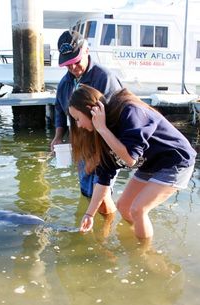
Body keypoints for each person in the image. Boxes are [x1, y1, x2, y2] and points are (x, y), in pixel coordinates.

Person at [68, 84, 196, 239]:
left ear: (91, 109)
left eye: (77, 119)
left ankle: (144, 255)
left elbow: (129, 159)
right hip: (151, 164)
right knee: (124, 206)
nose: (79, 125)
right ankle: (137, 235)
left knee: (138, 209)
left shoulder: (128, 112)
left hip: (176, 161)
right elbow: (103, 180)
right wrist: (89, 214)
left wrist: (102, 129)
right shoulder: (102, 135)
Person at [50, 30, 122, 214]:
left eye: (76, 61)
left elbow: (118, 120)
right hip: (81, 145)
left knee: (102, 196)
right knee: (86, 192)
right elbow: (59, 109)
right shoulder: (65, 83)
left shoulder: (105, 78)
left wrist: (97, 156)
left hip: (104, 146)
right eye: (68, 64)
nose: (73, 68)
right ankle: (91, 231)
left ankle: (105, 237)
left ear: (86, 50)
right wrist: (58, 137)